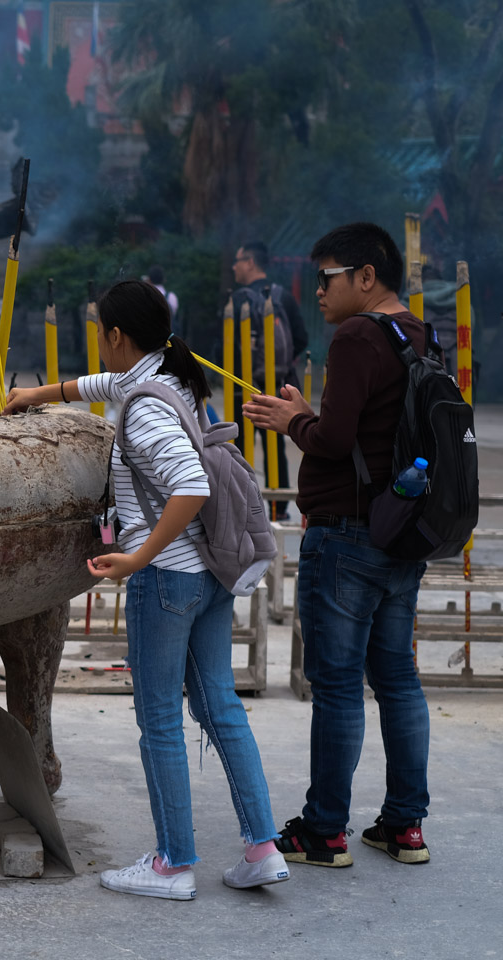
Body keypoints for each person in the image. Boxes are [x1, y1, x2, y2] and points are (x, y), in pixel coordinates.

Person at [5, 280, 288, 900]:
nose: (98, 347)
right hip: (208, 578)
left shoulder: (147, 406)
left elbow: (191, 487)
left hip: (168, 581)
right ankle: (263, 847)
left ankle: (171, 863)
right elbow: (102, 385)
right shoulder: (168, 377)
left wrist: (137, 557)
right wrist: (36, 395)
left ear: (115, 335)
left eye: (100, 334)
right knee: (219, 706)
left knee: (159, 719)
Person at [245, 223, 432, 868]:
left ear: (366, 277)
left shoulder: (356, 336)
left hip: (347, 536)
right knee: (399, 681)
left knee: (338, 687)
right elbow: (370, 433)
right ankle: (405, 825)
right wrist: (310, 413)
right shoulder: (420, 334)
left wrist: (288, 420)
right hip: (400, 531)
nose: (316, 291)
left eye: (326, 278)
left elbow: (333, 439)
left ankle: (325, 831)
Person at [233, 242, 304, 518]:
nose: (234, 266)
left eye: (238, 260)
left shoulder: (237, 301)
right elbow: (300, 338)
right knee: (276, 448)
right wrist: (277, 367)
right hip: (277, 387)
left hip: (240, 389)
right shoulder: (282, 297)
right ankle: (278, 509)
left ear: (250, 262)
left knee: (239, 450)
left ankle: (243, 509)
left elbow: (225, 347)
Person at [147, 265, 179, 337]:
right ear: (164, 279)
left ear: (149, 279)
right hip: (168, 339)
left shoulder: (145, 296)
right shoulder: (171, 297)